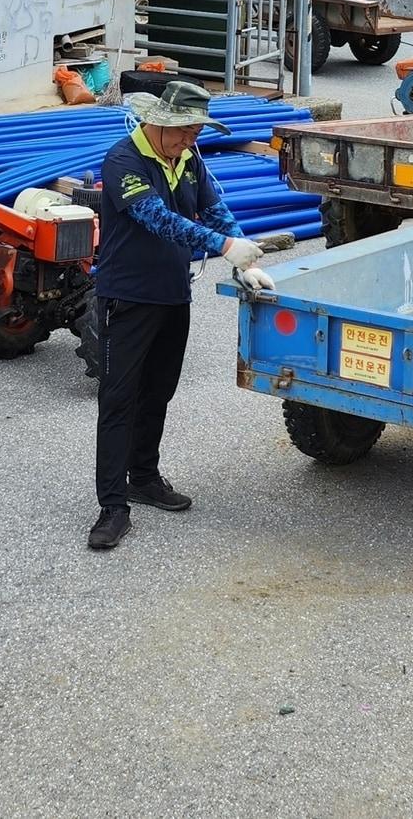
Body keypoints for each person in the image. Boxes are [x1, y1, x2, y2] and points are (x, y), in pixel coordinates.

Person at [88, 82, 275, 550]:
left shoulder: (189, 159)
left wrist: (245, 260)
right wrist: (224, 246)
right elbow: (157, 219)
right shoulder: (124, 161)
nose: (192, 139)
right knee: (118, 400)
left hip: (172, 294)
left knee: (158, 391)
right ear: (160, 123)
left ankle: (144, 476)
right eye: (186, 130)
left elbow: (213, 209)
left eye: (196, 131)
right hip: (128, 297)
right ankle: (112, 506)